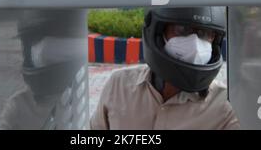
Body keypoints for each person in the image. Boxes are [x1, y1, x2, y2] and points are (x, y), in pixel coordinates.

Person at [90, 7, 240, 130]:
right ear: (157, 32)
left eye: (205, 33)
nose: (195, 45)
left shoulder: (225, 107)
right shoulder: (119, 86)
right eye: (182, 29)